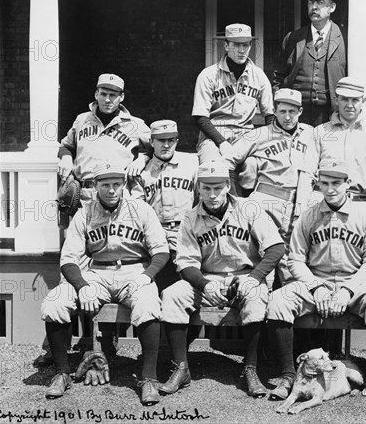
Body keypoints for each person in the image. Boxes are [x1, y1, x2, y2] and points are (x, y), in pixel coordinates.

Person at [266, 160, 366, 405]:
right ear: (318, 184)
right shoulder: (309, 215)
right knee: (278, 300)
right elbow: (295, 260)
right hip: (316, 281)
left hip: (354, 282)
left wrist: (347, 290)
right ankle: (288, 376)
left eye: (337, 183)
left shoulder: (365, 215)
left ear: (348, 184)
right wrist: (316, 287)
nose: (331, 188)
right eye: (324, 183)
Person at [40, 163, 169, 405]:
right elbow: (68, 259)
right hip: (96, 272)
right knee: (55, 302)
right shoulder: (85, 213)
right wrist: (82, 286)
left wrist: (146, 275)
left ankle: (148, 379)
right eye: (105, 185)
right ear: (95, 186)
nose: (111, 190)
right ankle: (62, 373)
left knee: (148, 303)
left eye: (116, 184)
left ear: (123, 185)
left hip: (135, 270)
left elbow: (161, 251)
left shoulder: (141, 209)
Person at [159, 161, 285, 397]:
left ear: (228, 185)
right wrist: (205, 285)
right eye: (206, 188)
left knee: (256, 295)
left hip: (245, 276)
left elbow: (276, 248)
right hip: (208, 279)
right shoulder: (191, 218)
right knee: (173, 294)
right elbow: (185, 263)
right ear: (199, 189)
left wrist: (255, 277)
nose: (212, 194)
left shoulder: (250, 208)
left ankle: (250, 368)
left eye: (218, 188)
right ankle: (181, 367)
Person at [222, 88, 314, 285]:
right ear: (275, 110)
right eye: (282, 111)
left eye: (292, 111)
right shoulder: (260, 134)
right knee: (265, 261)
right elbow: (227, 160)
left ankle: (285, 311)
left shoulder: (311, 134)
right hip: (266, 201)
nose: (287, 117)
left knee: (292, 265)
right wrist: (235, 198)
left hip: (297, 205)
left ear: (300, 111)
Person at [302, 76, 366, 237]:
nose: (350, 105)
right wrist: (302, 209)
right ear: (337, 100)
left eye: (355, 100)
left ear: (363, 101)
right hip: (322, 204)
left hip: (357, 205)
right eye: (345, 99)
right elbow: (306, 173)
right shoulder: (320, 131)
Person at [57, 74, 151, 203]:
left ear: (121, 97)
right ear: (96, 94)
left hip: (119, 195)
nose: (107, 100)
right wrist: (66, 157)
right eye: (103, 94)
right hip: (86, 195)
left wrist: (142, 160)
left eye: (112, 95)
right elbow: (66, 146)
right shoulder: (82, 120)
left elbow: (159, 148)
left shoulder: (136, 124)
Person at [129, 120, 199, 291]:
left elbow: (202, 198)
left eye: (171, 140)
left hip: (184, 230)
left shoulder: (192, 162)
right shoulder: (141, 170)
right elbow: (137, 210)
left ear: (177, 141)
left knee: (191, 278)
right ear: (151, 142)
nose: (166, 145)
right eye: (161, 140)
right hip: (154, 232)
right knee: (141, 279)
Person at [192, 23, 274, 163]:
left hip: (246, 134)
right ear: (226, 45)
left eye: (246, 45)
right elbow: (200, 117)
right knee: (214, 166)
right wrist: (221, 142)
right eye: (236, 45)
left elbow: (270, 116)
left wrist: (267, 141)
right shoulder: (208, 75)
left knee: (254, 166)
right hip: (213, 135)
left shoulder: (259, 76)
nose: (241, 50)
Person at [273, 0, 347, 126]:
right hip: (296, 114)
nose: (314, 7)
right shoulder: (293, 38)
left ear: (332, 7)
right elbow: (279, 77)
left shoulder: (345, 39)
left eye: (320, 2)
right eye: (311, 2)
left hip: (331, 114)